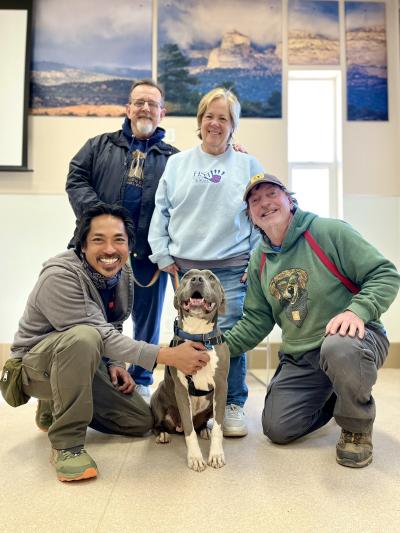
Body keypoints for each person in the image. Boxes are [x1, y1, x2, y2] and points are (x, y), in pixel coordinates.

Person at [10, 204, 209, 482]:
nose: (109, 250)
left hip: (81, 361)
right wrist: (169, 355)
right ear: (82, 244)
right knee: (84, 336)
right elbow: (97, 334)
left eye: (119, 240)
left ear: (128, 245)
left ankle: (57, 404)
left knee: (140, 421)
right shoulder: (60, 275)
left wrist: (115, 363)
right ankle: (66, 445)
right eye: (98, 240)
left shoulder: (120, 274)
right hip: (34, 368)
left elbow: (113, 322)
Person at [224, 172, 400, 467]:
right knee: (277, 429)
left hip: (354, 340)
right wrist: (217, 349)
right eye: (255, 201)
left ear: (290, 200)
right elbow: (256, 320)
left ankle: (356, 427)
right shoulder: (259, 260)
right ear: (251, 218)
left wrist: (356, 311)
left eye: (271, 194)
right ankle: (338, 395)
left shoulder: (329, 231)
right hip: (302, 357)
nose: (264, 203)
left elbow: (385, 274)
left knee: (338, 348)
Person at [148, 87, 264, 437]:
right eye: (209, 116)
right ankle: (186, 403)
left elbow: (260, 214)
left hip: (230, 267)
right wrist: (162, 253)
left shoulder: (248, 165)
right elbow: (162, 211)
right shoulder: (178, 163)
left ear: (233, 126)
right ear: (200, 122)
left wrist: (256, 260)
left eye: (224, 118)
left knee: (228, 341)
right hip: (185, 268)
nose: (215, 123)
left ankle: (231, 404)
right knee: (187, 337)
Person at [66, 79, 178, 402]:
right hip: (101, 251)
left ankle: (142, 379)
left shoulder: (176, 159)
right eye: (139, 102)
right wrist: (100, 218)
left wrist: (234, 148)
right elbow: (76, 178)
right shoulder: (98, 146)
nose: (145, 108)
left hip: (148, 254)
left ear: (162, 113)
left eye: (152, 104)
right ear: (127, 109)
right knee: (96, 315)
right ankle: (99, 373)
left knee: (148, 318)